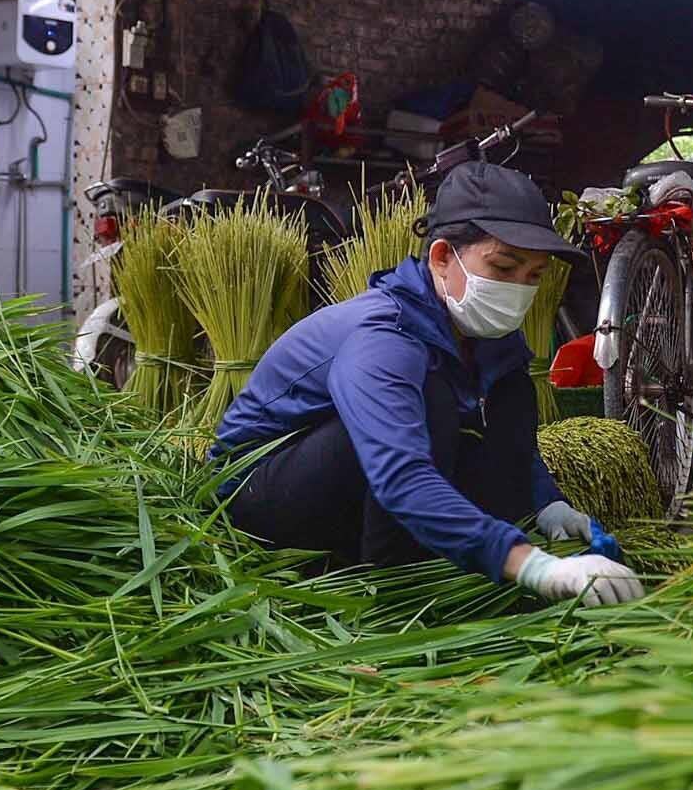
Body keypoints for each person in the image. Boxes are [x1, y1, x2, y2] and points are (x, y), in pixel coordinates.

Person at [213, 162, 644, 607]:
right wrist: (537, 567)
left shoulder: (488, 336)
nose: (518, 289)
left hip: (360, 476)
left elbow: (509, 443)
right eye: (503, 266)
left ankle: (462, 559)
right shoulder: (385, 338)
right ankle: (394, 589)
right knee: (431, 399)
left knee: (511, 389)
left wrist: (548, 504)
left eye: (533, 275)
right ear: (442, 258)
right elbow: (401, 475)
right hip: (258, 496)